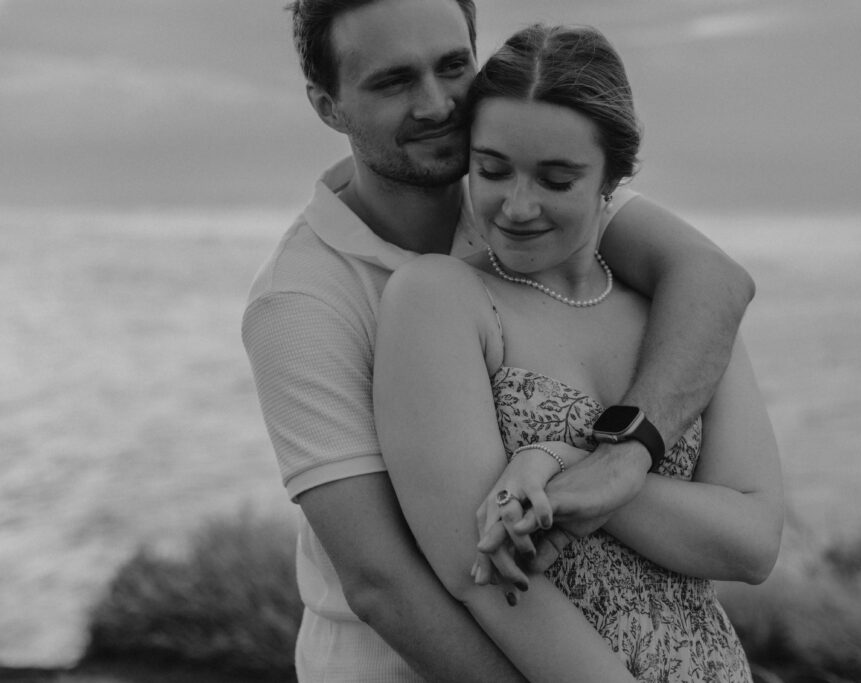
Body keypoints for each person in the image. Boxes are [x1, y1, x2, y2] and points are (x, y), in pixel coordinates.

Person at [242, 0, 756, 680]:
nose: (436, 104)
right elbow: (382, 583)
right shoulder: (300, 301)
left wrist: (627, 454)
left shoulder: (521, 194)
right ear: (327, 104)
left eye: (453, 66)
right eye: (394, 82)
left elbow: (711, 280)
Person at [372, 23, 782, 683]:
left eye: (557, 179)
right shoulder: (441, 299)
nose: (518, 205)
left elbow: (752, 543)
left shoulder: (680, 315)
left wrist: (565, 462)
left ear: (611, 179)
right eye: (493, 169)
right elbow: (481, 575)